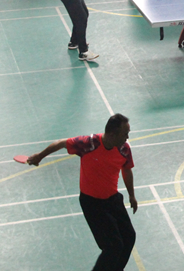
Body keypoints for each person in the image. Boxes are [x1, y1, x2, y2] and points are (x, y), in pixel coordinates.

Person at [26, 113, 137, 271]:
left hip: (112, 199)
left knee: (129, 237)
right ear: (113, 134)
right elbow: (61, 143)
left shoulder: (124, 149)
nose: (127, 137)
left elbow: (126, 169)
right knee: (113, 246)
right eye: (125, 134)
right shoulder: (89, 144)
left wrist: (131, 195)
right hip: (92, 203)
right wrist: (40, 156)